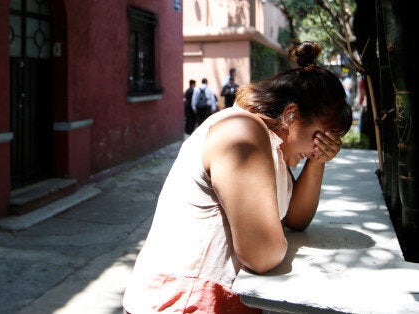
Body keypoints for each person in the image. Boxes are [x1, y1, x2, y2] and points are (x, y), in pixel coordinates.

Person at [122, 41, 352, 313]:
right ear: (291, 114)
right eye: (321, 136)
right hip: (182, 300)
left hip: (219, 299)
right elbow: (261, 254)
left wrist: (317, 161)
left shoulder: (274, 145)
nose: (322, 144)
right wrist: (271, 238)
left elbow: (296, 219)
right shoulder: (242, 131)